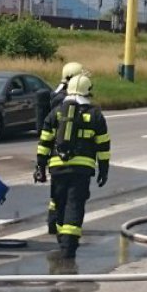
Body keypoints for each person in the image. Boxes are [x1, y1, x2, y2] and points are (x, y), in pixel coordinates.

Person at [35, 74, 110, 259]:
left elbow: (44, 142)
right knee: (75, 205)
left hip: (58, 167)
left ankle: (62, 240)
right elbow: (103, 145)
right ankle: (69, 248)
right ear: (87, 91)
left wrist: (40, 167)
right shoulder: (95, 115)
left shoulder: (56, 113)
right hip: (82, 170)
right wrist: (104, 169)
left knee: (59, 204)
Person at [44, 62, 86, 235]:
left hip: (53, 152)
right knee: (66, 197)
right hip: (66, 154)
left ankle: (54, 224)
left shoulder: (55, 95)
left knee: (57, 192)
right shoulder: (68, 100)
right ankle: (60, 227)